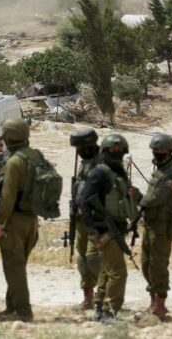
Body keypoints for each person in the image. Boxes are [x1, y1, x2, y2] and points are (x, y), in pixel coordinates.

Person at [80, 134, 141, 322]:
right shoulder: (99, 173)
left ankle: (100, 307)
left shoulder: (119, 172)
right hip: (104, 230)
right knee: (118, 272)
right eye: (113, 150)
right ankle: (109, 310)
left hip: (116, 227)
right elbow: (85, 201)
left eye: (120, 150)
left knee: (107, 272)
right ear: (104, 151)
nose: (117, 153)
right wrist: (92, 230)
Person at [0, 119, 39, 322]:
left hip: (14, 221)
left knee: (14, 268)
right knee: (17, 267)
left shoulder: (14, 162)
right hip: (31, 220)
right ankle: (11, 307)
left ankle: (22, 311)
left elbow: (8, 197)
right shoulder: (35, 156)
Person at [137, 134, 172, 320]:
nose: (158, 153)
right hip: (151, 224)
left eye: (162, 150)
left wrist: (138, 198)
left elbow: (156, 198)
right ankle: (152, 303)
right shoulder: (160, 171)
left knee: (158, 265)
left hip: (162, 227)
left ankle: (160, 306)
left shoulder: (171, 174)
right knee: (146, 264)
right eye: (155, 150)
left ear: (170, 152)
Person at [69, 126, 101, 310]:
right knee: (82, 259)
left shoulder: (101, 163)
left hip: (97, 220)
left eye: (79, 147)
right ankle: (88, 296)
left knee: (94, 258)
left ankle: (104, 293)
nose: (78, 151)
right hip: (82, 218)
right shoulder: (85, 163)